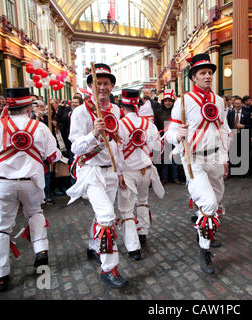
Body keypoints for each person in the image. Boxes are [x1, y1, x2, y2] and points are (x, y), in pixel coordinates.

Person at [0, 87, 61, 292]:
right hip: (31, 181)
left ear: (7, 106)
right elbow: (54, 156)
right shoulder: (39, 127)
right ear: (28, 106)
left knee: (1, 227)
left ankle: (1, 276)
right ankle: (41, 249)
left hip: (3, 183)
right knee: (35, 212)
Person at [165, 53, 232, 274]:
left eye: (209, 73)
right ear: (193, 77)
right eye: (202, 73)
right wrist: (177, 135)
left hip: (215, 157)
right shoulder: (183, 102)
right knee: (210, 203)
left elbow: (223, 130)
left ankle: (203, 228)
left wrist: (225, 158)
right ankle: (204, 251)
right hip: (193, 159)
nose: (207, 77)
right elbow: (169, 133)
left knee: (217, 202)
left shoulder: (219, 101)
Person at [66, 63, 128, 289]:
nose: (102, 87)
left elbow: (118, 144)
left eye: (106, 83)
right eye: (97, 83)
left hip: (110, 171)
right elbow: (75, 148)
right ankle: (109, 269)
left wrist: (120, 171)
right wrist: (93, 134)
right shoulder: (80, 112)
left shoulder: (116, 111)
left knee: (102, 214)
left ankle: (94, 245)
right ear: (90, 86)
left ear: (112, 85)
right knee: (107, 217)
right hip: (90, 171)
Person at [117, 89, 164, 261]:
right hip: (146, 171)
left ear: (122, 107)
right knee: (143, 201)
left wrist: (118, 173)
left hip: (128, 172)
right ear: (138, 104)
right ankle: (143, 232)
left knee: (127, 209)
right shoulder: (149, 124)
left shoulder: (119, 125)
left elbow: (117, 151)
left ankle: (133, 247)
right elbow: (159, 148)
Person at [155, 89, 180, 184]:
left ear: (173, 101)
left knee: (175, 158)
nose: (168, 102)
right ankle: (164, 178)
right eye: (166, 101)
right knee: (165, 159)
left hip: (174, 137)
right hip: (163, 137)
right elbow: (156, 125)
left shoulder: (176, 111)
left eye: (169, 100)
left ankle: (175, 177)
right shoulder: (159, 112)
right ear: (163, 101)